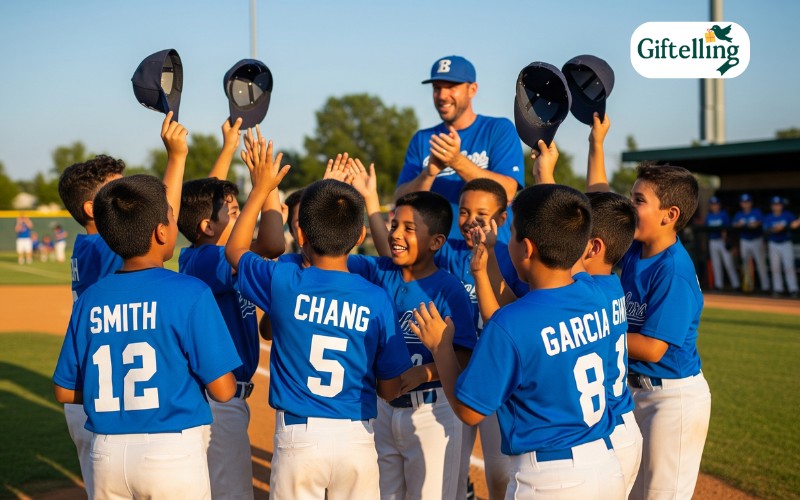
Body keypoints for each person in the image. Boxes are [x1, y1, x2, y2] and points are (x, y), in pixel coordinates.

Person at [225, 136, 411, 499]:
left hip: (300, 437)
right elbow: (389, 389)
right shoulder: (375, 296)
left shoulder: (285, 281)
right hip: (356, 437)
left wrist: (263, 188)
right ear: (359, 236)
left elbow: (235, 249)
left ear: (301, 233)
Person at [411, 184, 625, 499]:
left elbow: (470, 412)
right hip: (606, 465)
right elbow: (531, 313)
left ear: (525, 248)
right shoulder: (593, 292)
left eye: (511, 234)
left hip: (551, 480)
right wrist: (484, 272)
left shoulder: (510, 323)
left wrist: (441, 348)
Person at [53, 174, 242, 499]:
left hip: (107, 455)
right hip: (170, 452)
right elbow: (224, 390)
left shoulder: (90, 298)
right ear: (161, 231)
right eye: (171, 216)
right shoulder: (190, 292)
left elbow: (63, 390)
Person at [55, 111, 188, 495]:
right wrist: (176, 158)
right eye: (118, 193)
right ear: (92, 211)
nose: (128, 198)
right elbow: (163, 218)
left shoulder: (90, 246)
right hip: (104, 402)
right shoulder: (102, 245)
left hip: (98, 394)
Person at [347, 174, 478, 499]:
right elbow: (329, 254)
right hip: (382, 410)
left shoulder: (450, 291)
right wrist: (344, 199)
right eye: (394, 226)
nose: (396, 235)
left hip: (431, 413)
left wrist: (425, 371)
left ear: (436, 242)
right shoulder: (377, 270)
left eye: (409, 228)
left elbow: (464, 356)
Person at [177, 126, 284, 500]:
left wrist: (227, 148)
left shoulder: (203, 255)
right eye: (233, 212)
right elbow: (272, 242)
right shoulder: (208, 259)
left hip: (216, 400)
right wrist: (264, 189)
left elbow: (206, 198)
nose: (241, 217)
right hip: (218, 402)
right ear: (208, 227)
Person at [620, 163, 711, 500]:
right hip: (635, 392)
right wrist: (596, 144)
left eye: (638, 201)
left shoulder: (673, 270)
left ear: (669, 215)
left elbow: (653, 348)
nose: (630, 208)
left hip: (671, 399)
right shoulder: (635, 249)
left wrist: (599, 331)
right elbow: (599, 199)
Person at [394, 55, 524, 239]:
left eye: (451, 87)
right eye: (437, 88)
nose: (442, 95)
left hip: (492, 252)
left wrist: (456, 161)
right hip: (437, 253)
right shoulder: (422, 139)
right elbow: (400, 200)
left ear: (472, 89)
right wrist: (429, 174)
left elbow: (507, 191)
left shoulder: (498, 129)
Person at [763, 196, 800, 298]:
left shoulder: (787, 215)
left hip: (785, 243)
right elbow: (766, 230)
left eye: (778, 204)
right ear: (772, 206)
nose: (777, 206)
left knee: (789, 267)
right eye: (775, 205)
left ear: (782, 205)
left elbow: (795, 225)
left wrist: (788, 226)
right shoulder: (769, 217)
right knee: (775, 268)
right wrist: (777, 228)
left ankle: (793, 290)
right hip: (773, 243)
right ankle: (778, 289)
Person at [733, 193, 770, 293]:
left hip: (757, 240)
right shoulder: (739, 214)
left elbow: (760, 222)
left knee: (760, 264)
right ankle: (748, 287)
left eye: (747, 202)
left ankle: (765, 287)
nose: (746, 204)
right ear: (741, 204)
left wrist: (754, 224)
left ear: (751, 203)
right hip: (744, 240)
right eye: (744, 202)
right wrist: (739, 225)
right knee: (746, 265)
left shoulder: (756, 212)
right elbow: (734, 224)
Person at [705, 196, 740, 291]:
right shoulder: (709, 216)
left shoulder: (724, 215)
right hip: (713, 241)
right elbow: (706, 229)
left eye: (716, 204)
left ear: (719, 205)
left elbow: (728, 228)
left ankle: (736, 285)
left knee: (729, 263)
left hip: (723, 241)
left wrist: (728, 241)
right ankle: (718, 285)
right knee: (716, 264)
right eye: (712, 204)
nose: (714, 206)